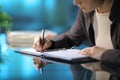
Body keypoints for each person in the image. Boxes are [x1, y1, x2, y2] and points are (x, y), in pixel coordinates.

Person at [33, 0, 120, 80]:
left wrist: (102, 54)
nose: (75, 2)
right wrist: (50, 43)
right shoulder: (88, 10)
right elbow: (71, 37)